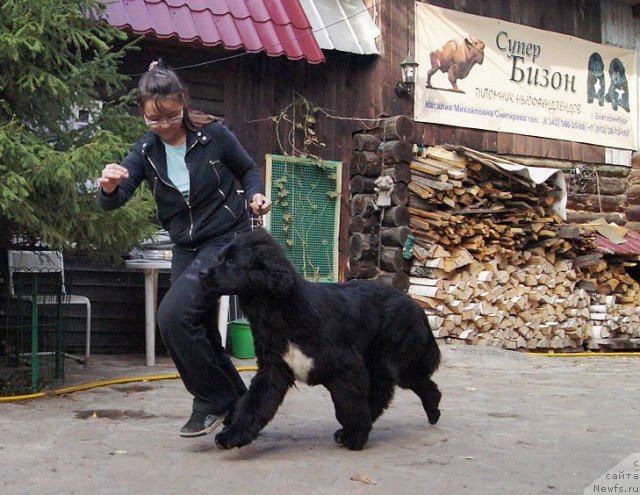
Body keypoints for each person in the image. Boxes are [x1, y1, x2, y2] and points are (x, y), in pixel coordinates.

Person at [97, 60, 272, 438]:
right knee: (200, 329)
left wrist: (257, 194)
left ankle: (211, 399)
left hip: (225, 241)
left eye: (171, 116)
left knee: (172, 316)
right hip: (185, 247)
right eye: (153, 120)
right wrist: (109, 186)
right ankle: (240, 405)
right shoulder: (145, 151)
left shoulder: (214, 135)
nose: (164, 126)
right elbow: (115, 198)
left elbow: (247, 170)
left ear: (184, 104)